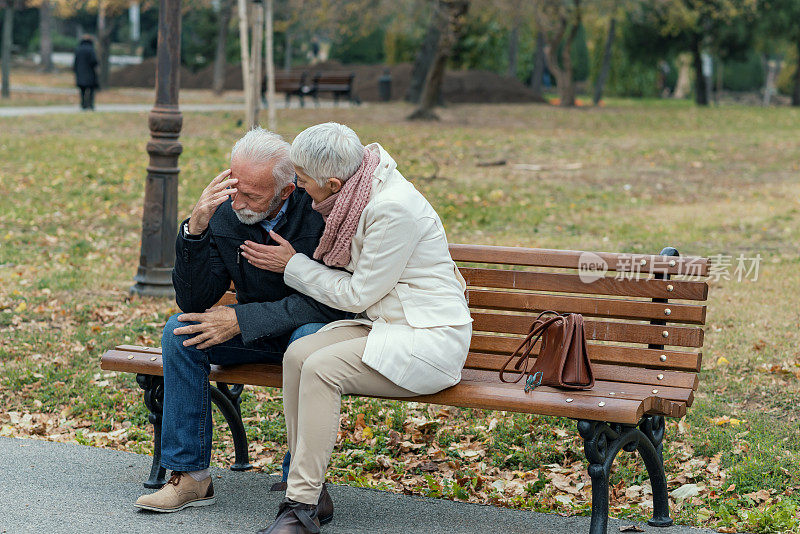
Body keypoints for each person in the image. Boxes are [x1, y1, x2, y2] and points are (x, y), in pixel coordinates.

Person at [240, 122, 473, 534]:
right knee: (298, 354)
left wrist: (293, 265)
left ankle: (300, 507)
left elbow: (355, 295)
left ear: (333, 182)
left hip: (429, 338)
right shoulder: (357, 190)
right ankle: (313, 489)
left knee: (321, 368)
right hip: (390, 324)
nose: (302, 190)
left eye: (306, 182)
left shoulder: (391, 208)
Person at [134, 128, 349, 515]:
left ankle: (302, 484)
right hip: (253, 333)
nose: (239, 201)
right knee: (179, 332)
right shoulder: (226, 211)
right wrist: (195, 232)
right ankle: (190, 477)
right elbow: (195, 300)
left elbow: (334, 304)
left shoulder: (320, 214)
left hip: (307, 328)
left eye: (252, 195)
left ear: (287, 190)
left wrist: (240, 319)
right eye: (234, 187)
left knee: (309, 339)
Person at [73, 36, 98, 110]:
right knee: (91, 90)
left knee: (82, 90)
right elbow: (94, 61)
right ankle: (90, 104)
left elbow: (75, 62)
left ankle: (83, 104)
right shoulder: (91, 49)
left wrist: (76, 71)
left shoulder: (78, 49)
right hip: (90, 73)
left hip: (80, 73)